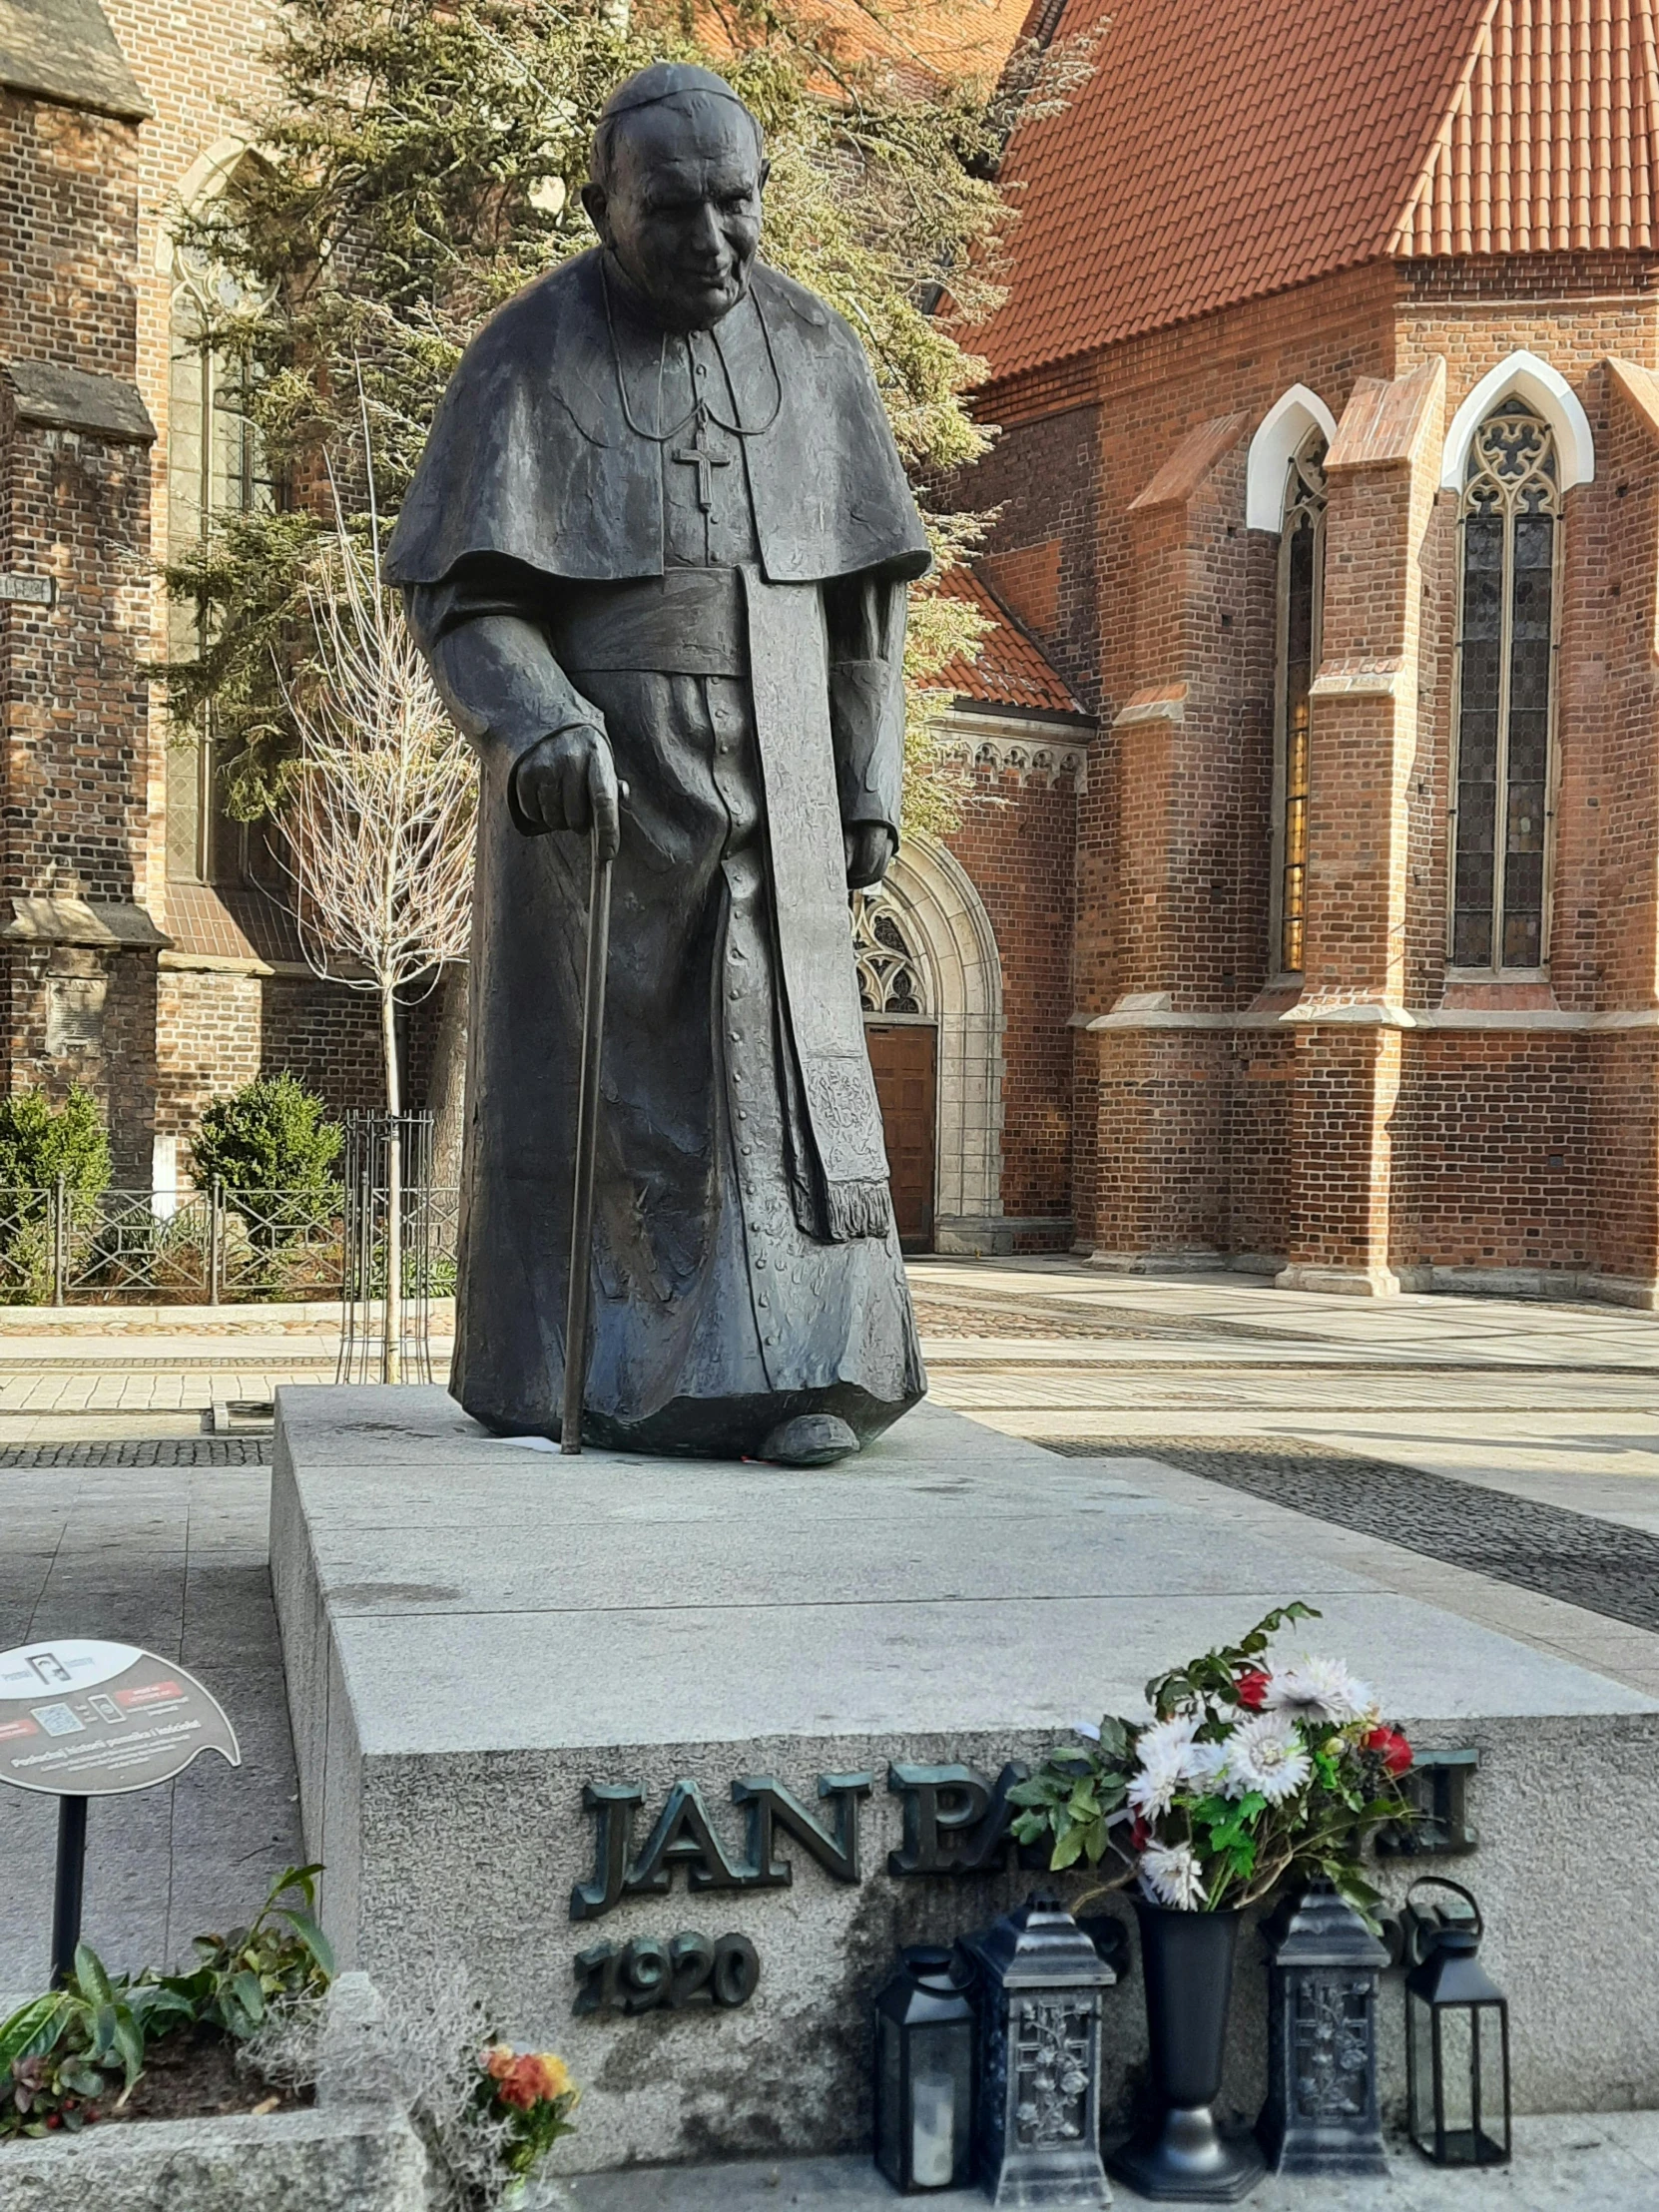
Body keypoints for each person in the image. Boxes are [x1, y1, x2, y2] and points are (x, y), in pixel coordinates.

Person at [387, 63, 931, 1464]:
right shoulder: (526, 352)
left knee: (791, 1085)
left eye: (736, 205)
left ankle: (814, 1370)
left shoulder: (818, 354)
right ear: (602, 206)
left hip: (789, 764)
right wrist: (537, 718)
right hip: (601, 784)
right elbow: (463, 593)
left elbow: (867, 595)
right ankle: (595, 1375)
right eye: (673, 209)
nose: (712, 240)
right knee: (625, 1097)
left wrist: (867, 782)